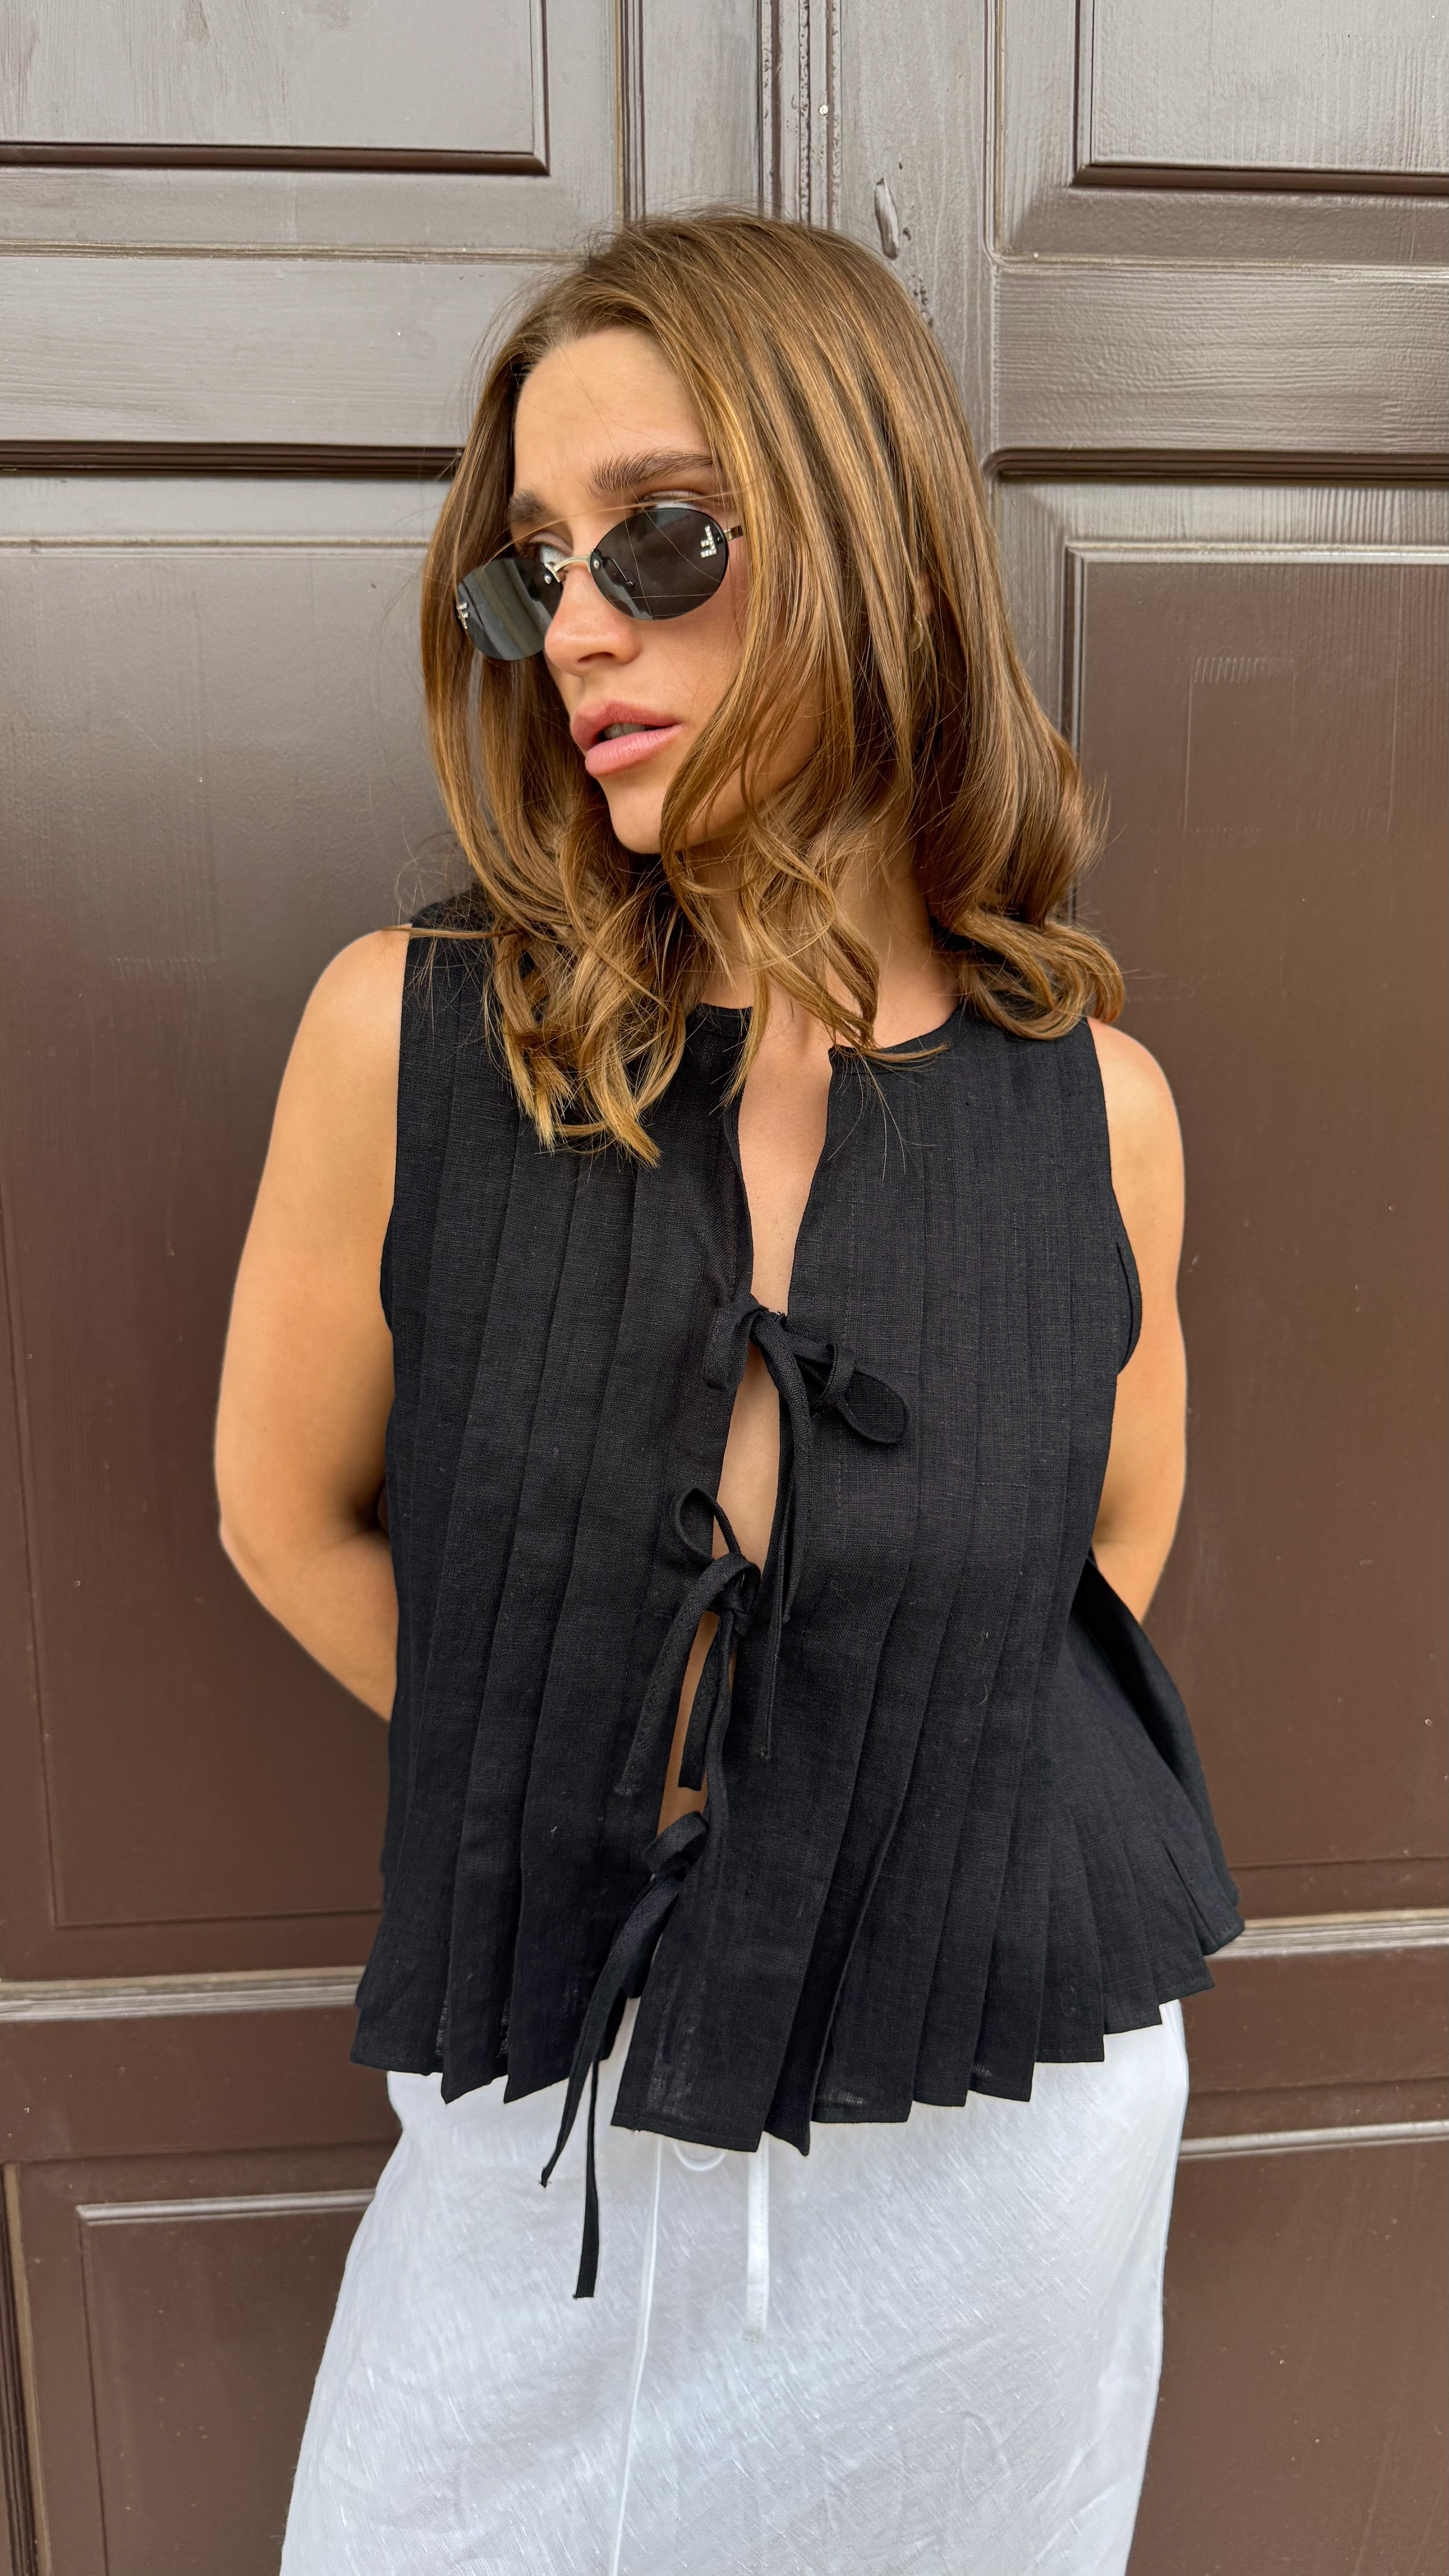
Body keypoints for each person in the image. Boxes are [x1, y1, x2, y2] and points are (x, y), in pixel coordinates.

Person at [215, 209, 1241, 2576]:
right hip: (559, 2098)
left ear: (871, 544)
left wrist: (869, 1789)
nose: (579, 625)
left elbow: (1096, 1563)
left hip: (1001, 2122)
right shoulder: (407, 1040)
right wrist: (590, 1762)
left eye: (661, 541)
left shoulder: (1101, 1112)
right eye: (532, 571)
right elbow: (284, 1513)